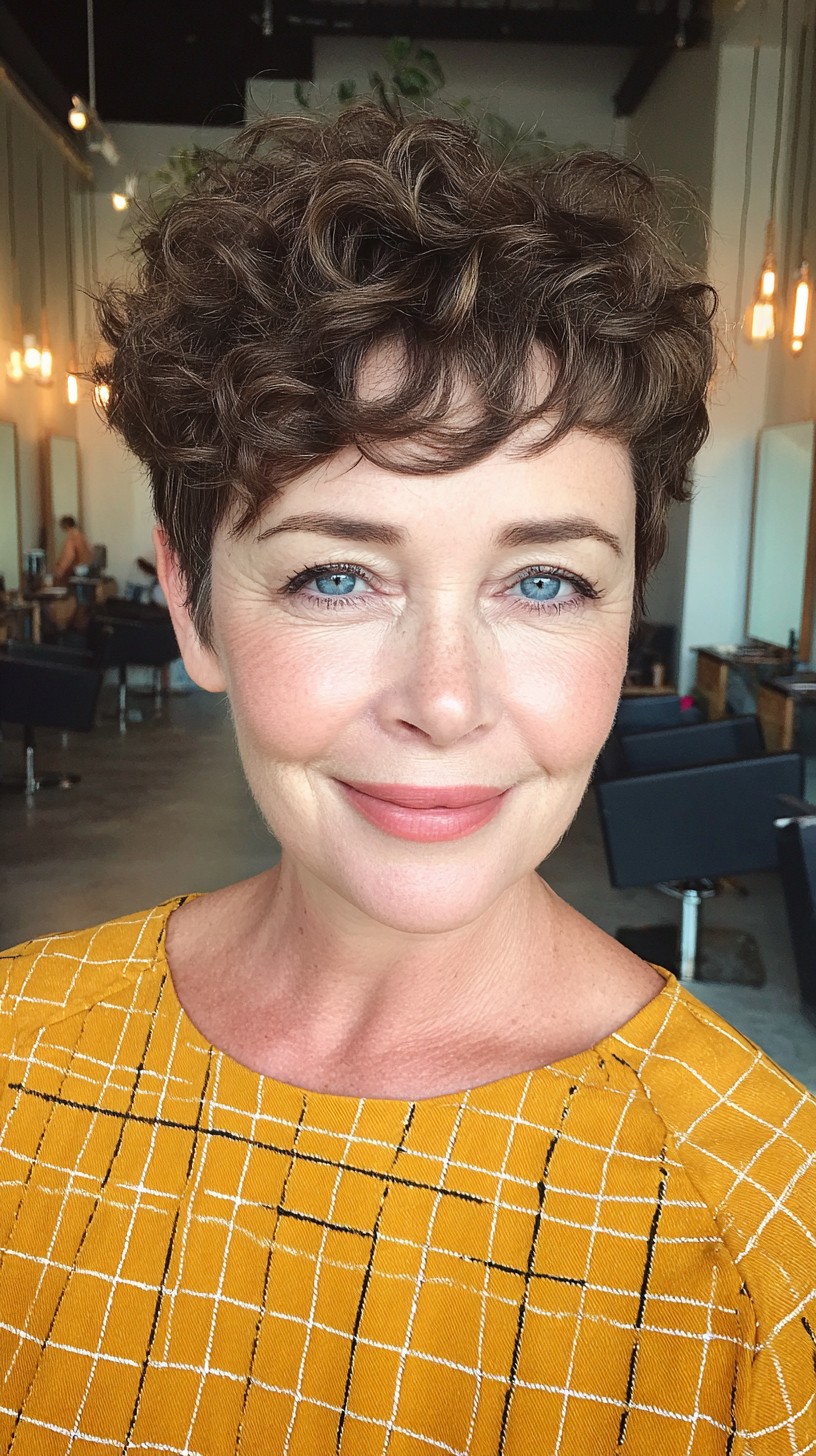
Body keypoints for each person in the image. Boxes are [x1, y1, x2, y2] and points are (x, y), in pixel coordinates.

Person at [1, 106, 813, 1455]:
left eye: (544, 581)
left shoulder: (767, 1230)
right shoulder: (17, 1056)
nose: (443, 700)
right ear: (192, 604)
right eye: (337, 574)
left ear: (626, 625)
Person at [53, 513, 93, 584]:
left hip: (77, 572)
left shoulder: (71, 539)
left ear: (65, 527)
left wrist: (60, 570)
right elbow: (90, 552)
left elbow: (70, 556)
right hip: (87, 570)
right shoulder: (82, 537)